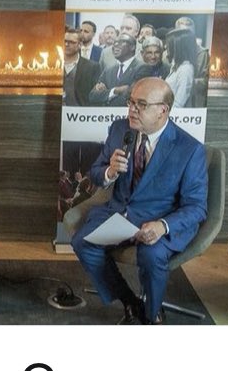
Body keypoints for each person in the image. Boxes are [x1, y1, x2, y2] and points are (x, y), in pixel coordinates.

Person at [71, 77, 208, 324]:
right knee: (83, 243)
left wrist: (162, 226)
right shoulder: (119, 129)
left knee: (151, 256)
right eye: (131, 102)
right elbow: (96, 173)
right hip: (120, 213)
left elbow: (197, 207)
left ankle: (151, 315)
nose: (132, 110)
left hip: (159, 220)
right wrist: (109, 172)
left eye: (141, 105)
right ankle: (129, 302)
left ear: (163, 110)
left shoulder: (189, 149)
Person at [89, 33, 142, 107]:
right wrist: (115, 91)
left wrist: (105, 94)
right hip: (108, 113)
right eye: (115, 42)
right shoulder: (108, 70)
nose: (116, 45)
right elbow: (93, 96)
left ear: (132, 47)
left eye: (121, 42)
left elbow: (133, 94)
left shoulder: (142, 67)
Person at [63, 28, 101, 106]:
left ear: (80, 45)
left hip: (81, 111)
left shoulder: (92, 67)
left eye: (71, 42)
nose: (66, 44)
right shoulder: (53, 65)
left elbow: (95, 97)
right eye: (65, 41)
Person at [164, 28, 197, 108]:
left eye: (169, 44)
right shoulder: (177, 67)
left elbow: (178, 103)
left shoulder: (185, 70)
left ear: (177, 47)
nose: (165, 47)